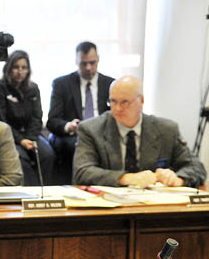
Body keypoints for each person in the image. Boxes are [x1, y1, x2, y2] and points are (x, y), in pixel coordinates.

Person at [73, 76, 206, 187]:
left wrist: (178, 179)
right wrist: (125, 178)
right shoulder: (91, 129)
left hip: (155, 208)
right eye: (113, 101)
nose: (118, 108)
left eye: (125, 102)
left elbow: (195, 167)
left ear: (141, 101)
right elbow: (82, 171)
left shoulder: (166, 130)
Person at [46, 41, 114, 182]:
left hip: (104, 133)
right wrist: (68, 126)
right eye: (83, 63)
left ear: (98, 60)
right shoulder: (62, 84)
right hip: (74, 136)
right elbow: (52, 121)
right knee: (74, 146)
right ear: (76, 61)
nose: (88, 68)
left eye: (92, 62)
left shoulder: (110, 84)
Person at [0, 50, 55, 186]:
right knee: (20, 158)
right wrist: (21, 140)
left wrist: (30, 138)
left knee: (47, 154)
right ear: (9, 68)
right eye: (16, 67)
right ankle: (32, 192)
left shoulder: (33, 88)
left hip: (31, 135)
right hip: (9, 136)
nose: (20, 71)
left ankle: (46, 190)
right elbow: (0, 122)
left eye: (24, 68)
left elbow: (37, 117)